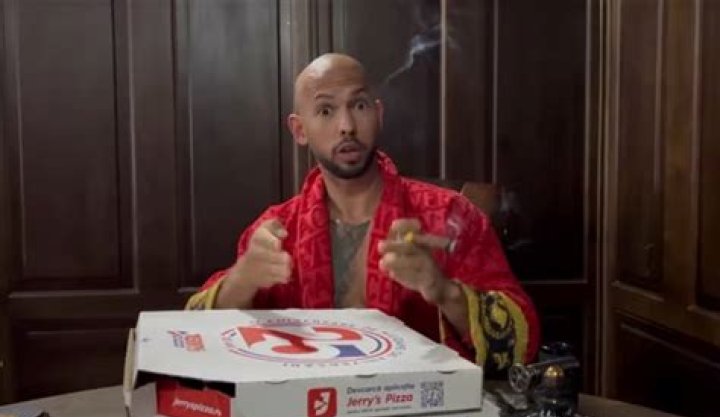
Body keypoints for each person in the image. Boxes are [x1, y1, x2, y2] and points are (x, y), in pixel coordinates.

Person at [186, 53, 540, 371]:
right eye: (326, 111)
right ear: (299, 130)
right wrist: (241, 281)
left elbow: (523, 345)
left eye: (359, 105)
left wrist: (443, 290)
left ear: (379, 114)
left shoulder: (449, 216)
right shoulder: (276, 231)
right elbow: (192, 341)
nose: (347, 126)